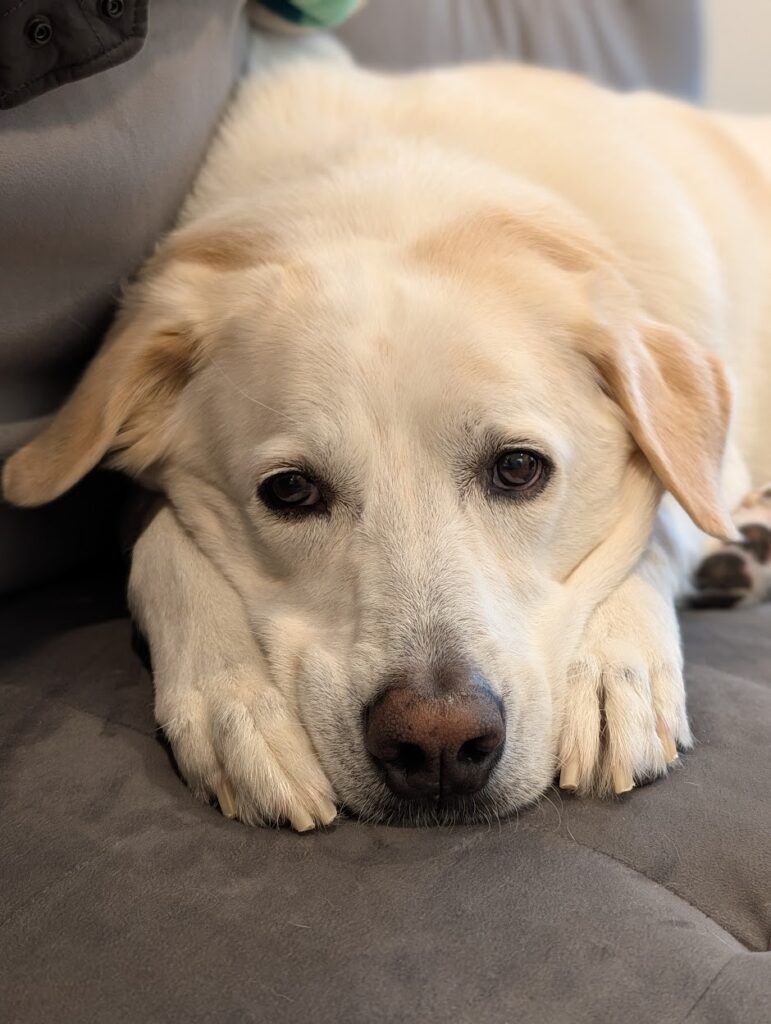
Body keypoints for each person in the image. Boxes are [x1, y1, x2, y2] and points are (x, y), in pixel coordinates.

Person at [0, 0, 702, 595]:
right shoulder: (219, 335)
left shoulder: (587, 300)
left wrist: (634, 601)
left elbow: (696, 478)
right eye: (293, 492)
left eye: (515, 470)